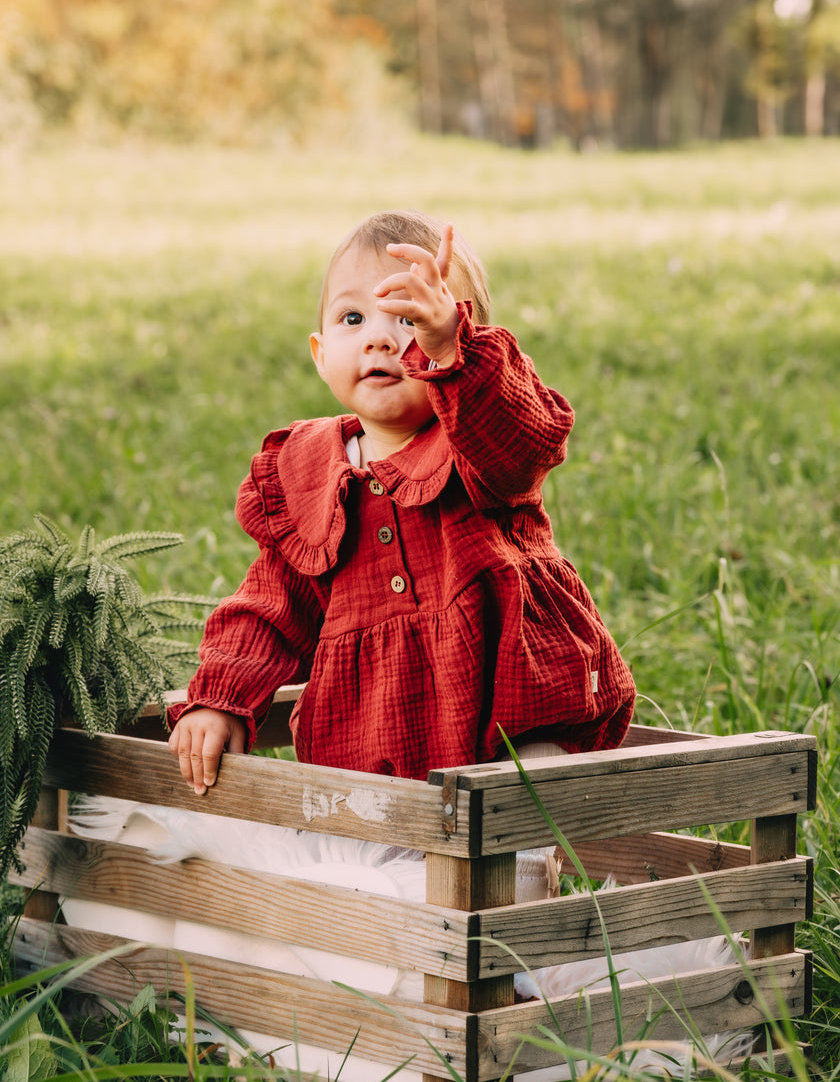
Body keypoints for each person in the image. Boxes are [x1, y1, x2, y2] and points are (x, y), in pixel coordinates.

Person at [167, 211, 635, 795]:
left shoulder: (476, 439)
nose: (380, 337)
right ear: (319, 353)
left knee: (528, 797)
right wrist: (221, 697)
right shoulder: (312, 473)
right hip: (374, 732)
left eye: (410, 318)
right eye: (353, 317)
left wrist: (452, 355)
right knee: (373, 850)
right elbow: (270, 607)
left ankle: (529, 871)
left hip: (514, 702)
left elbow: (525, 442)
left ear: (463, 339)